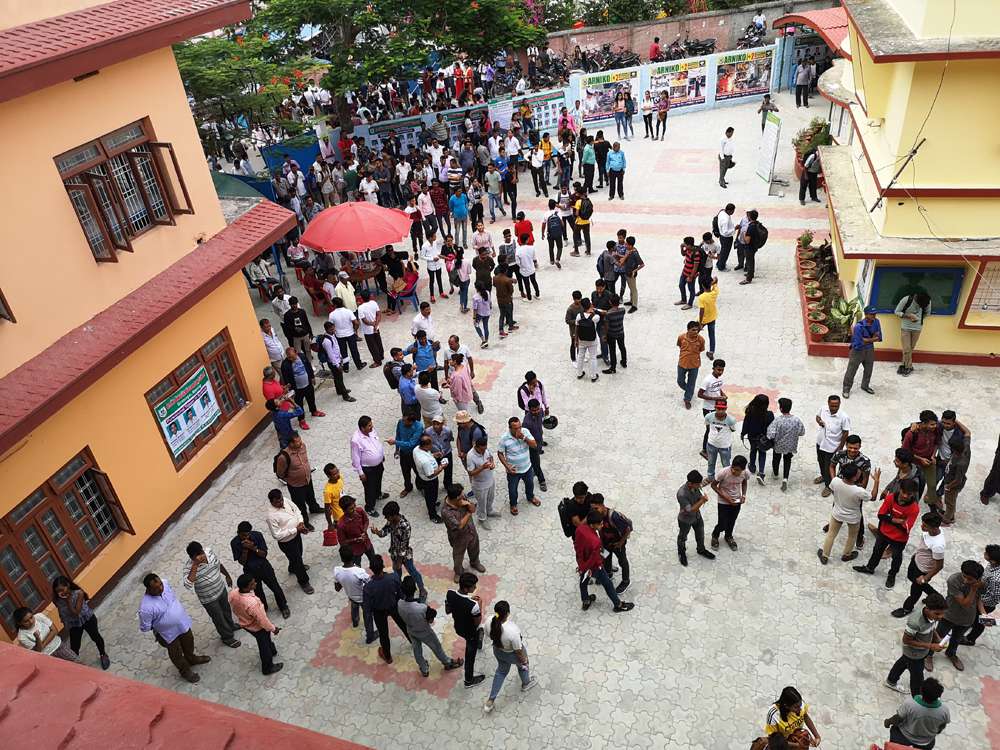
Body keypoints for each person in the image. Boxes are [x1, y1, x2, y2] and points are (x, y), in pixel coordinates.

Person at [137, 574, 209, 683]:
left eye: (160, 584)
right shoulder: (145, 608)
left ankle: (191, 658)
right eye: (156, 588)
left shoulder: (165, 583)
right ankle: (185, 671)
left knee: (189, 641)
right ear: (148, 589)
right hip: (167, 634)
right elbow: (145, 627)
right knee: (176, 653)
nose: (161, 588)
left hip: (182, 624)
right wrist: (162, 625)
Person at [853, 478, 922, 588]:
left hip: (899, 539)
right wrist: (896, 520)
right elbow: (880, 515)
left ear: (913, 494)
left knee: (896, 558)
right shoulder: (890, 497)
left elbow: (906, 527)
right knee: (877, 551)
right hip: (883, 533)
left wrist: (889, 518)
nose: (905, 496)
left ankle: (892, 575)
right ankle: (870, 568)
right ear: (900, 489)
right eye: (904, 492)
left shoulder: (914, 508)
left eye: (909, 494)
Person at [885, 591, 947, 697]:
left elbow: (932, 627)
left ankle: (891, 681)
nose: (940, 617)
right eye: (937, 613)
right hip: (914, 654)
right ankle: (917, 698)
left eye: (942, 613)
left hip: (917, 652)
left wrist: (937, 638)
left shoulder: (932, 616)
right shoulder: (915, 622)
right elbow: (906, 640)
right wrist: (930, 646)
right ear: (927, 608)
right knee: (917, 678)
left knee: (903, 662)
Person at [398, 576, 463, 677]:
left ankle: (424, 668)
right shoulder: (422, 608)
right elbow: (430, 620)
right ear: (415, 589)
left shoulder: (399, 603)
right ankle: (447, 663)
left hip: (410, 629)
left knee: (417, 650)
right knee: (436, 647)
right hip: (424, 632)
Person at [182, 541, 241, 648]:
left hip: (221, 589)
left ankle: (231, 625)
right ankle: (227, 637)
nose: (201, 557)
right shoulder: (188, 567)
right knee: (218, 618)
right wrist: (195, 565)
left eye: (201, 553)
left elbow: (219, 564)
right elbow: (188, 584)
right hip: (208, 599)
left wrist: (227, 575)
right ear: (192, 558)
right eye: (197, 556)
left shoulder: (209, 552)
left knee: (226, 610)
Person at [818, 465, 880, 565]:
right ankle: (846, 555)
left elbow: (833, 490)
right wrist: (876, 481)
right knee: (852, 536)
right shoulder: (859, 491)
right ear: (854, 478)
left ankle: (825, 555)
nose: (860, 473)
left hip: (837, 513)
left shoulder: (835, 481)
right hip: (853, 517)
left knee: (831, 534)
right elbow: (873, 497)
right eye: (858, 473)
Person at [575, 509, 635, 613]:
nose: (602, 525)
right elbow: (595, 558)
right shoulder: (596, 541)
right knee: (608, 584)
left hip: (582, 562)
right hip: (594, 567)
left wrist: (581, 566)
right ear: (592, 525)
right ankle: (618, 605)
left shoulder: (580, 529)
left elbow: (577, 546)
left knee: (583, 581)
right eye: (600, 524)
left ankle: (585, 600)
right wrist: (593, 566)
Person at [483, 600, 537, 713]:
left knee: (501, 672)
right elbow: (518, 651)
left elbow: (488, 635)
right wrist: (524, 661)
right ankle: (526, 683)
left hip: (498, 651)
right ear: (508, 613)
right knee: (522, 666)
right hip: (512, 654)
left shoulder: (489, 621)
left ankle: (490, 701)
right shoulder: (513, 630)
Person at [930, 559, 984, 671]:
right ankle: (928, 654)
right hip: (949, 615)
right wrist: (973, 589)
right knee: (938, 636)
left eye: (970, 579)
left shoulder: (982, 584)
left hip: (967, 619)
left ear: (978, 578)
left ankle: (951, 653)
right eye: (964, 576)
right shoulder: (953, 580)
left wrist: (984, 614)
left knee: (957, 639)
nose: (965, 580)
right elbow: (965, 603)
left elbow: (979, 600)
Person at [892, 512, 946, 617]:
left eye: (925, 526)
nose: (922, 526)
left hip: (922, 570)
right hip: (916, 561)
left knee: (915, 592)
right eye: (922, 524)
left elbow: (939, 566)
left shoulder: (938, 545)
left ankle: (907, 608)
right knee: (913, 579)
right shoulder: (930, 531)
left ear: (935, 528)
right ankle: (935, 597)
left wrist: (925, 578)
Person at [231, 521, 289, 618]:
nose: (246, 537)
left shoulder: (257, 535)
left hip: (264, 567)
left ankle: (283, 606)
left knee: (275, 587)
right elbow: (242, 562)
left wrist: (254, 548)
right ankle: (263, 608)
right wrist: (245, 550)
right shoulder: (234, 543)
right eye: (244, 535)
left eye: (248, 534)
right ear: (238, 533)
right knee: (258, 591)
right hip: (250, 571)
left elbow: (264, 554)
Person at [372, 501, 428, 601]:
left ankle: (422, 589)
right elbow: (385, 531)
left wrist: (399, 561)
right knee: (397, 575)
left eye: (387, 516)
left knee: (413, 572)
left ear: (394, 515)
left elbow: (404, 546)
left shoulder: (405, 526)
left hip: (405, 555)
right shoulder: (391, 522)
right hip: (394, 552)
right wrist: (377, 532)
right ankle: (400, 591)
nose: (386, 519)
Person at [51, 576, 111, 669]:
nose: (60, 593)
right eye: (58, 591)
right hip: (73, 624)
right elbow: (62, 612)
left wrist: (68, 601)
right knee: (75, 646)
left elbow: (76, 613)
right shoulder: (56, 600)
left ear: (68, 585)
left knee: (96, 637)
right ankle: (76, 665)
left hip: (87, 619)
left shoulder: (79, 593)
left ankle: (103, 654)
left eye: (62, 589)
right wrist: (66, 623)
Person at [229, 574, 283, 675]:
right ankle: (268, 667)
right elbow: (263, 621)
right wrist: (273, 629)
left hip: (246, 624)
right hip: (257, 627)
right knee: (263, 645)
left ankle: (272, 650)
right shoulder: (252, 604)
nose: (256, 584)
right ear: (246, 588)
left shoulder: (233, 593)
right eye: (252, 584)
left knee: (265, 640)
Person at [362, 554, 409, 664]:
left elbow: (367, 608)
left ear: (371, 569)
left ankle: (387, 657)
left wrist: (368, 622)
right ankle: (413, 640)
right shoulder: (393, 577)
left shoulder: (368, 587)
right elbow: (401, 593)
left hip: (378, 612)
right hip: (393, 606)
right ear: (383, 566)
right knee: (403, 624)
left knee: (383, 634)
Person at [266, 489, 313, 594]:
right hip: (287, 542)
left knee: (299, 553)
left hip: (296, 535)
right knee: (297, 561)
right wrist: (295, 529)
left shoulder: (285, 500)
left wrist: (300, 522)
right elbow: (276, 535)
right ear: (271, 502)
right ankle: (304, 582)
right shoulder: (271, 516)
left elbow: (296, 510)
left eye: (281, 500)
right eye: (277, 502)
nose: (281, 503)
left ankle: (292, 568)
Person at [885, 677, 950, 749]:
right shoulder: (944, 710)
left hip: (904, 736)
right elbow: (942, 726)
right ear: (939, 695)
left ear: (921, 691)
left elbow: (897, 719)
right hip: (926, 742)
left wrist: (888, 722)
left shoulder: (910, 704)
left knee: (894, 731)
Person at [446, 572, 487, 688]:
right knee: (470, 656)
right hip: (470, 632)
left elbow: (448, 610)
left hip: (458, 628)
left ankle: (478, 641)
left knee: (476, 636)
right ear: (466, 588)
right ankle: (469, 680)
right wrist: (479, 605)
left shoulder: (450, 593)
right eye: (473, 586)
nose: (475, 587)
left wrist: (467, 601)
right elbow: (477, 622)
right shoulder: (473, 605)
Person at [274, 432, 324, 527]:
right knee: (300, 505)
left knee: (311, 496)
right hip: (295, 485)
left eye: (300, 440)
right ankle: (304, 522)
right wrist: (291, 479)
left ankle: (314, 508)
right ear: (291, 444)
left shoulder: (303, 446)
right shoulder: (284, 457)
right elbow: (280, 473)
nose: (301, 442)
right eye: (298, 441)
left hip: (307, 479)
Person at [442, 483, 486, 583]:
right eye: (461, 494)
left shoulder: (463, 498)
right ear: (456, 497)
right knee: (458, 556)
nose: (463, 495)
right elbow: (459, 526)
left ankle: (475, 563)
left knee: (474, 549)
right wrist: (469, 513)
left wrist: (468, 505)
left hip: (471, 531)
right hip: (458, 538)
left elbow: (473, 509)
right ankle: (458, 572)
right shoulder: (446, 511)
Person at [591, 493, 632, 594]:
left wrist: (620, 543)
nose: (594, 511)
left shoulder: (614, 516)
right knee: (605, 558)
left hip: (617, 545)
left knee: (622, 561)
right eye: (593, 509)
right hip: (605, 544)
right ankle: (608, 574)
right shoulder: (598, 515)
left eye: (596, 508)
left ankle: (626, 581)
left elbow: (628, 529)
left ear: (602, 505)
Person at [497, 416, 539, 515]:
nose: (519, 430)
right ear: (510, 428)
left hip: (527, 467)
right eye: (516, 428)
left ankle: (530, 497)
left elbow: (534, 445)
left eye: (520, 427)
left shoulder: (525, 432)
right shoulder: (504, 438)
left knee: (530, 484)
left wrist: (524, 438)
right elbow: (500, 453)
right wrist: (507, 466)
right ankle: (513, 504)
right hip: (513, 471)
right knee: (512, 490)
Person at [676, 470, 716, 566]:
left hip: (697, 516)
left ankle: (701, 549)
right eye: (697, 484)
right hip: (685, 519)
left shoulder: (697, 486)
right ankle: (681, 553)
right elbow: (690, 510)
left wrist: (701, 498)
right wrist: (702, 500)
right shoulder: (682, 494)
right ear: (690, 483)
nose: (699, 486)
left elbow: (700, 492)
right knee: (682, 537)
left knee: (700, 534)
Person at [766, 398, 806, 492]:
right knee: (787, 460)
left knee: (776, 459)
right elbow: (802, 432)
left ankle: (776, 474)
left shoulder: (777, 420)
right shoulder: (796, 420)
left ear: (781, 408)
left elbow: (771, 434)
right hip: (790, 445)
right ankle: (785, 478)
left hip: (778, 445)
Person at [963, 543, 999, 646]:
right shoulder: (992, 565)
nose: (984, 553)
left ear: (993, 560)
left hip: (986, 603)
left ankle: (971, 639)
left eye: (986, 553)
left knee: (980, 622)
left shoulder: (996, 579)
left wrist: (980, 601)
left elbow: (995, 597)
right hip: (982, 594)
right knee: (975, 618)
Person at [710, 454, 748, 551]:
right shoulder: (723, 472)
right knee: (722, 523)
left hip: (736, 500)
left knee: (732, 520)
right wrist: (726, 498)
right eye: (733, 468)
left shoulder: (745, 473)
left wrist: (743, 495)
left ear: (743, 470)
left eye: (737, 470)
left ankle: (728, 536)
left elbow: (744, 482)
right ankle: (715, 535)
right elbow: (713, 485)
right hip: (723, 502)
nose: (734, 471)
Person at [351, 415, 388, 516]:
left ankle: (378, 494)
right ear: (362, 428)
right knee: (369, 488)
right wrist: (360, 473)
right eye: (369, 426)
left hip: (379, 464)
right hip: (368, 469)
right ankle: (369, 507)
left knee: (378, 481)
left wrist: (381, 455)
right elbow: (355, 458)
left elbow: (377, 443)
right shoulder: (355, 440)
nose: (372, 427)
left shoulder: (372, 431)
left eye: (371, 425)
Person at [814, 395, 850, 497]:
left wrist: (840, 447)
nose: (834, 408)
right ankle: (824, 476)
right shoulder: (823, 409)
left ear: (839, 404)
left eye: (836, 406)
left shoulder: (844, 417)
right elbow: (817, 417)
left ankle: (829, 485)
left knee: (829, 466)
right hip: (820, 442)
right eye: (832, 406)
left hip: (832, 446)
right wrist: (819, 421)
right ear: (828, 403)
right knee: (820, 461)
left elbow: (845, 432)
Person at [842, 306, 882, 397]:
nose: (874, 316)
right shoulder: (858, 326)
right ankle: (846, 388)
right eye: (872, 314)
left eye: (875, 314)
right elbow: (860, 342)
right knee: (851, 370)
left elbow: (879, 337)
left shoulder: (877, 322)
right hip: (857, 350)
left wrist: (867, 339)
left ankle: (865, 386)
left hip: (870, 349)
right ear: (866, 314)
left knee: (869, 369)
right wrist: (872, 338)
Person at [13, 607, 78, 662]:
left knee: (78, 663)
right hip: (48, 656)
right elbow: (38, 650)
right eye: (26, 621)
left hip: (58, 646)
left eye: (31, 617)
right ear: (20, 623)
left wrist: (42, 644)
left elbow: (54, 630)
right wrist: (37, 638)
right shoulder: (22, 636)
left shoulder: (39, 616)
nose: (31, 621)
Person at [280, 347, 326, 421]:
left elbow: (308, 366)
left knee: (311, 399)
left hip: (308, 384)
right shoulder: (285, 364)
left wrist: (312, 377)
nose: (291, 359)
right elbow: (285, 377)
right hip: (297, 389)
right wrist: (289, 388)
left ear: (296, 353)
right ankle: (301, 419)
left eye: (292, 357)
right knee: (299, 404)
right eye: (289, 357)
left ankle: (314, 411)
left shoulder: (302, 356)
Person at [895, 291, 931, 376]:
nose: (920, 307)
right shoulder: (906, 299)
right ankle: (909, 367)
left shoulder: (927, 301)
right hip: (905, 328)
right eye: (919, 304)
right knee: (907, 348)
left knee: (910, 349)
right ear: (916, 298)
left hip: (917, 329)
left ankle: (904, 364)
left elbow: (927, 313)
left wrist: (918, 319)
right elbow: (897, 312)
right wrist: (908, 316)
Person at [741, 394, 774, 485]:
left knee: (753, 450)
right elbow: (772, 427)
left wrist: (743, 433)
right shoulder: (769, 415)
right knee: (762, 453)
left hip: (752, 437)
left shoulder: (750, 412)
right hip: (764, 439)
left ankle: (752, 467)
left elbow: (746, 424)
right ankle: (761, 473)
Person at [413, 432, 446, 523]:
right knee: (430, 497)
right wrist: (441, 467)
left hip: (423, 477)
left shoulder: (417, 449)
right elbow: (431, 475)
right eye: (431, 443)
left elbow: (427, 454)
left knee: (432, 496)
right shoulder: (425, 461)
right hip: (429, 481)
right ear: (426, 445)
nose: (432, 445)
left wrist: (434, 455)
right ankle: (433, 515)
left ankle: (433, 503)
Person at [676, 321, 705, 409]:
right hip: (682, 363)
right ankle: (689, 390)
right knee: (680, 381)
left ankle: (687, 399)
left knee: (691, 383)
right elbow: (680, 346)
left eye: (697, 330)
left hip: (694, 365)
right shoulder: (681, 337)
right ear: (688, 330)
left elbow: (701, 349)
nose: (696, 332)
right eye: (693, 330)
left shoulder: (701, 340)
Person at [357, 290, 384, 366]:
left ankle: (377, 361)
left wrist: (372, 324)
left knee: (372, 346)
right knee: (378, 342)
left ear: (361, 298)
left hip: (368, 330)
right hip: (376, 327)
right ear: (369, 296)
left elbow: (364, 321)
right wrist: (375, 324)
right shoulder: (374, 303)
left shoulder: (360, 308)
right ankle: (381, 356)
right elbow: (378, 314)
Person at [738, 209, 764, 285]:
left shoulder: (750, 227)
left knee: (749, 262)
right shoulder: (757, 224)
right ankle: (751, 274)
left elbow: (747, 240)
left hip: (749, 247)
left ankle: (748, 279)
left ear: (749, 217)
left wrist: (744, 234)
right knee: (751, 261)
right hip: (754, 246)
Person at [695, 276, 719, 358]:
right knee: (712, 335)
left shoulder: (702, 297)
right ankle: (711, 352)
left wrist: (700, 323)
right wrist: (714, 282)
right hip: (712, 317)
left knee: (695, 331)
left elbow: (701, 311)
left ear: (702, 285)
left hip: (704, 319)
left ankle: (690, 345)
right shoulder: (714, 292)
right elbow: (716, 282)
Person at [676, 237, 702, 309]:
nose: (684, 244)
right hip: (684, 272)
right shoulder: (688, 249)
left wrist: (691, 277)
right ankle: (683, 300)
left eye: (685, 244)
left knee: (691, 289)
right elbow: (683, 254)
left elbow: (695, 267)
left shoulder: (696, 253)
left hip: (691, 274)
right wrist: (682, 248)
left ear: (689, 245)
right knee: (681, 285)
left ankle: (690, 304)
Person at [514, 234, 540, 300]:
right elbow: (534, 258)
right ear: (527, 240)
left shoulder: (518, 251)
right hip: (531, 269)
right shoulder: (532, 248)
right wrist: (535, 264)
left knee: (526, 284)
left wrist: (522, 266)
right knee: (534, 281)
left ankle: (529, 298)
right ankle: (537, 294)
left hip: (524, 270)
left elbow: (518, 262)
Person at [715, 203, 737, 271]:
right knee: (725, 253)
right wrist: (735, 229)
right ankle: (721, 267)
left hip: (722, 237)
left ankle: (719, 263)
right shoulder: (725, 220)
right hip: (726, 238)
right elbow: (725, 232)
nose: (733, 212)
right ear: (729, 211)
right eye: (733, 211)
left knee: (723, 251)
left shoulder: (722, 212)